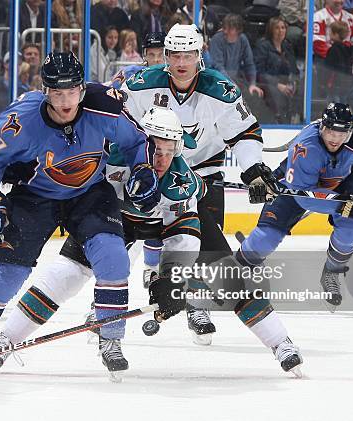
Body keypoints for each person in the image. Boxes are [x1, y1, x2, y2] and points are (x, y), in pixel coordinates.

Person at [0, 52, 159, 380]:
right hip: (34, 197)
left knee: (114, 257)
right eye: (57, 93)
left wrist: (143, 168)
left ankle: (111, 340)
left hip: (89, 193)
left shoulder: (105, 105)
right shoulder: (23, 119)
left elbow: (135, 142)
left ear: (82, 90)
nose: (65, 101)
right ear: (45, 91)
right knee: (6, 274)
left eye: (72, 91)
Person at [120, 25, 303, 370]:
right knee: (107, 244)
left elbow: (246, 132)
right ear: (167, 57)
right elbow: (113, 124)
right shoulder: (142, 85)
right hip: (148, 178)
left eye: (188, 55)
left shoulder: (219, 89)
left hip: (199, 181)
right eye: (174, 55)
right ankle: (106, 312)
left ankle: (278, 340)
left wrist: (252, 169)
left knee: (219, 265)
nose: (181, 62)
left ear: (199, 56)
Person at [0, 107, 204, 378]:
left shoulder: (182, 182)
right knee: (64, 275)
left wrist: (173, 277)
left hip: (152, 226)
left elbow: (183, 234)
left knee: (127, 273)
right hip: (105, 218)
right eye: (156, 151)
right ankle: (7, 339)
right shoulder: (109, 153)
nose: (162, 160)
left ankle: (111, 340)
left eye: (171, 151)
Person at [236, 103, 353, 312]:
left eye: (341, 134)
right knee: (266, 238)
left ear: (351, 132)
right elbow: (305, 199)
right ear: (321, 128)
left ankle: (332, 272)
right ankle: (235, 271)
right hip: (296, 185)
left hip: (343, 178)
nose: (334, 139)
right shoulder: (306, 148)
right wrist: (345, 207)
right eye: (330, 132)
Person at [254, 16, 301, 123]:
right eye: (277, 28)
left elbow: (295, 70)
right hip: (268, 84)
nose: (281, 31)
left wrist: (294, 83)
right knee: (275, 93)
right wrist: (278, 85)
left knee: (302, 90)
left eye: (283, 28)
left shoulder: (287, 46)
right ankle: (277, 121)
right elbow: (259, 72)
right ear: (271, 30)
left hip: (286, 84)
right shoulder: (263, 46)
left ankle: (296, 120)